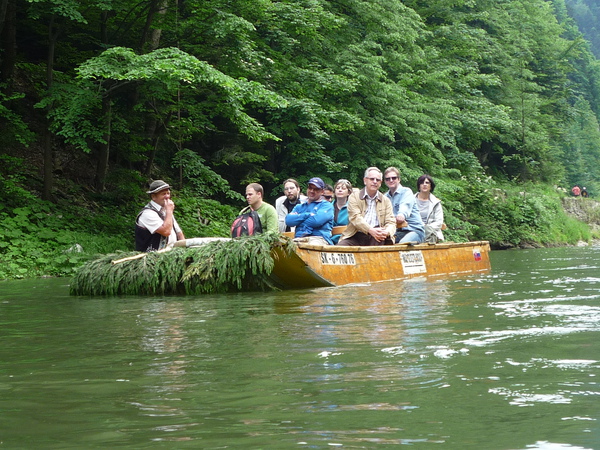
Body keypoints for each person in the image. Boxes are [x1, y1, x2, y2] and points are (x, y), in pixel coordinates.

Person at [337, 167, 395, 246]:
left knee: (377, 248)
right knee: (340, 249)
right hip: (355, 234)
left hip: (378, 236)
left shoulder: (386, 200)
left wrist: (386, 232)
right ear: (365, 180)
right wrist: (370, 230)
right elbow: (355, 217)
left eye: (377, 180)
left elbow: (391, 222)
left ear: (380, 183)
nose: (375, 182)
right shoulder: (354, 197)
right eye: (372, 179)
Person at [135, 180, 185, 252]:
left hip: (171, 254)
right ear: (153, 197)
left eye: (168, 193)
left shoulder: (166, 210)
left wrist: (185, 251)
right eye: (163, 194)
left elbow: (179, 232)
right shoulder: (147, 213)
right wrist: (169, 211)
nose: (167, 197)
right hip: (151, 258)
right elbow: (166, 231)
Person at [285, 177, 334, 245]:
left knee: (310, 246)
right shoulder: (299, 206)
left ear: (322, 192)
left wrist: (298, 220)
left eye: (316, 189)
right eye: (310, 188)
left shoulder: (326, 206)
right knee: (285, 247)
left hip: (319, 239)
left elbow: (316, 221)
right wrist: (308, 215)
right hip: (299, 239)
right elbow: (289, 221)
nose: (312, 191)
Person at [383, 167, 425, 244]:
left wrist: (401, 215)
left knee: (403, 244)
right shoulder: (384, 197)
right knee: (379, 242)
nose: (391, 180)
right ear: (385, 181)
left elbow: (405, 207)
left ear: (399, 179)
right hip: (397, 232)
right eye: (388, 179)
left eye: (394, 178)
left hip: (414, 230)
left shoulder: (406, 192)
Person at [415, 174, 444, 243]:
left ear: (431, 186)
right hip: (415, 229)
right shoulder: (411, 200)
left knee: (430, 237)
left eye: (427, 183)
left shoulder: (436, 202)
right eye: (422, 183)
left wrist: (426, 228)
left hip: (432, 232)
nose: (424, 184)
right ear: (419, 186)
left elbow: (439, 222)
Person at [331, 179, 352, 244]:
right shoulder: (328, 207)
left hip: (347, 238)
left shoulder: (352, 207)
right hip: (329, 238)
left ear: (348, 192)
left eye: (343, 188)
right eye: (337, 188)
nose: (340, 190)